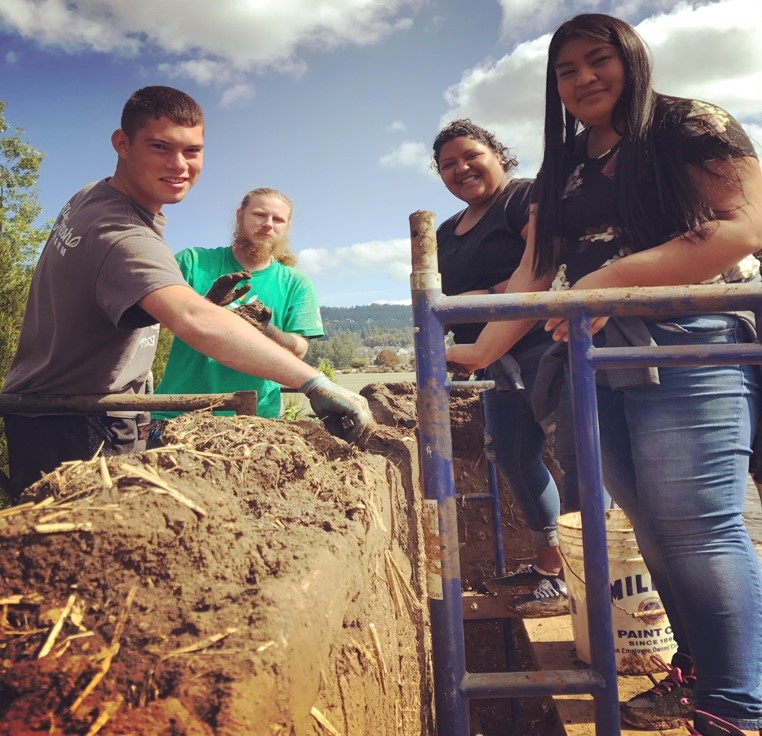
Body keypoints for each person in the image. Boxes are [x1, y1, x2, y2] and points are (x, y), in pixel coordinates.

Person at [446, 14, 762, 736]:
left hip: (692, 340)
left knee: (699, 526)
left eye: (599, 60)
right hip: (600, 354)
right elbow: (535, 272)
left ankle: (736, 706)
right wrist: (478, 352)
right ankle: (699, 677)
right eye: (567, 70)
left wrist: (607, 281)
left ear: (633, 59)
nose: (584, 78)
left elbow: (741, 226)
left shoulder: (688, 124)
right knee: (650, 527)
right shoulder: (566, 164)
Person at [1, 86, 374, 504]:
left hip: (45, 408)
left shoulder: (92, 194)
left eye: (192, 150)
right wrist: (315, 383)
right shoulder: (124, 233)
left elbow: (128, 306)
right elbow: (192, 319)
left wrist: (212, 307)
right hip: (79, 419)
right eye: (160, 147)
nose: (179, 165)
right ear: (122, 143)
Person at [433, 119, 574, 618]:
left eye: (471, 155)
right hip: (494, 361)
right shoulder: (446, 231)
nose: (461, 168)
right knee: (513, 455)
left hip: (544, 346)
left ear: (499, 155)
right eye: (447, 164)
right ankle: (549, 569)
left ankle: (587, 580)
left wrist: (483, 297)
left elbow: (546, 268)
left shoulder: (524, 198)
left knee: (578, 458)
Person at [153, 187, 324, 421]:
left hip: (256, 420)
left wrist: (268, 330)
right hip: (177, 413)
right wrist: (204, 306)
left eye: (278, 220)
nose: (268, 224)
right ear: (240, 216)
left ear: (287, 227)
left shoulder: (296, 284)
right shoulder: (193, 262)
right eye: (260, 215)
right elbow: (150, 322)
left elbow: (299, 349)